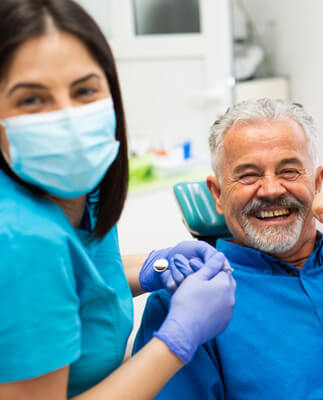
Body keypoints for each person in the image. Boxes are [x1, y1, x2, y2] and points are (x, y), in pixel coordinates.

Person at [0, 0, 236, 399]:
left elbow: (77, 278)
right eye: (32, 100)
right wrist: (177, 340)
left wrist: (153, 266)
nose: (67, 118)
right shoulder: (20, 238)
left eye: (84, 90)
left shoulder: (79, 188)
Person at [134, 98, 323, 399]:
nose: (272, 190)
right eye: (248, 175)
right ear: (218, 194)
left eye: (289, 171)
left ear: (317, 182)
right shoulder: (187, 299)